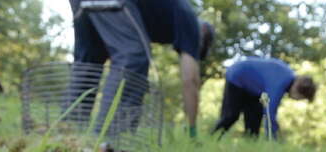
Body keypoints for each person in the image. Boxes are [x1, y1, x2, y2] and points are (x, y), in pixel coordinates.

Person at [67, 0, 215, 138]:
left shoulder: (168, 12)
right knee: (133, 57)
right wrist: (192, 129)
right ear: (203, 38)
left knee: (88, 62)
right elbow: (190, 80)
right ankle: (111, 141)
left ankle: (67, 134)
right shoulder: (192, 25)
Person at [211, 57, 316, 139]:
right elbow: (270, 113)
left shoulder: (287, 78)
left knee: (254, 121)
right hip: (237, 77)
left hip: (254, 89)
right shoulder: (281, 82)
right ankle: (213, 137)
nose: (297, 100)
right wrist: (273, 139)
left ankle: (249, 146)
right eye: (300, 98)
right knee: (231, 115)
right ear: (297, 89)